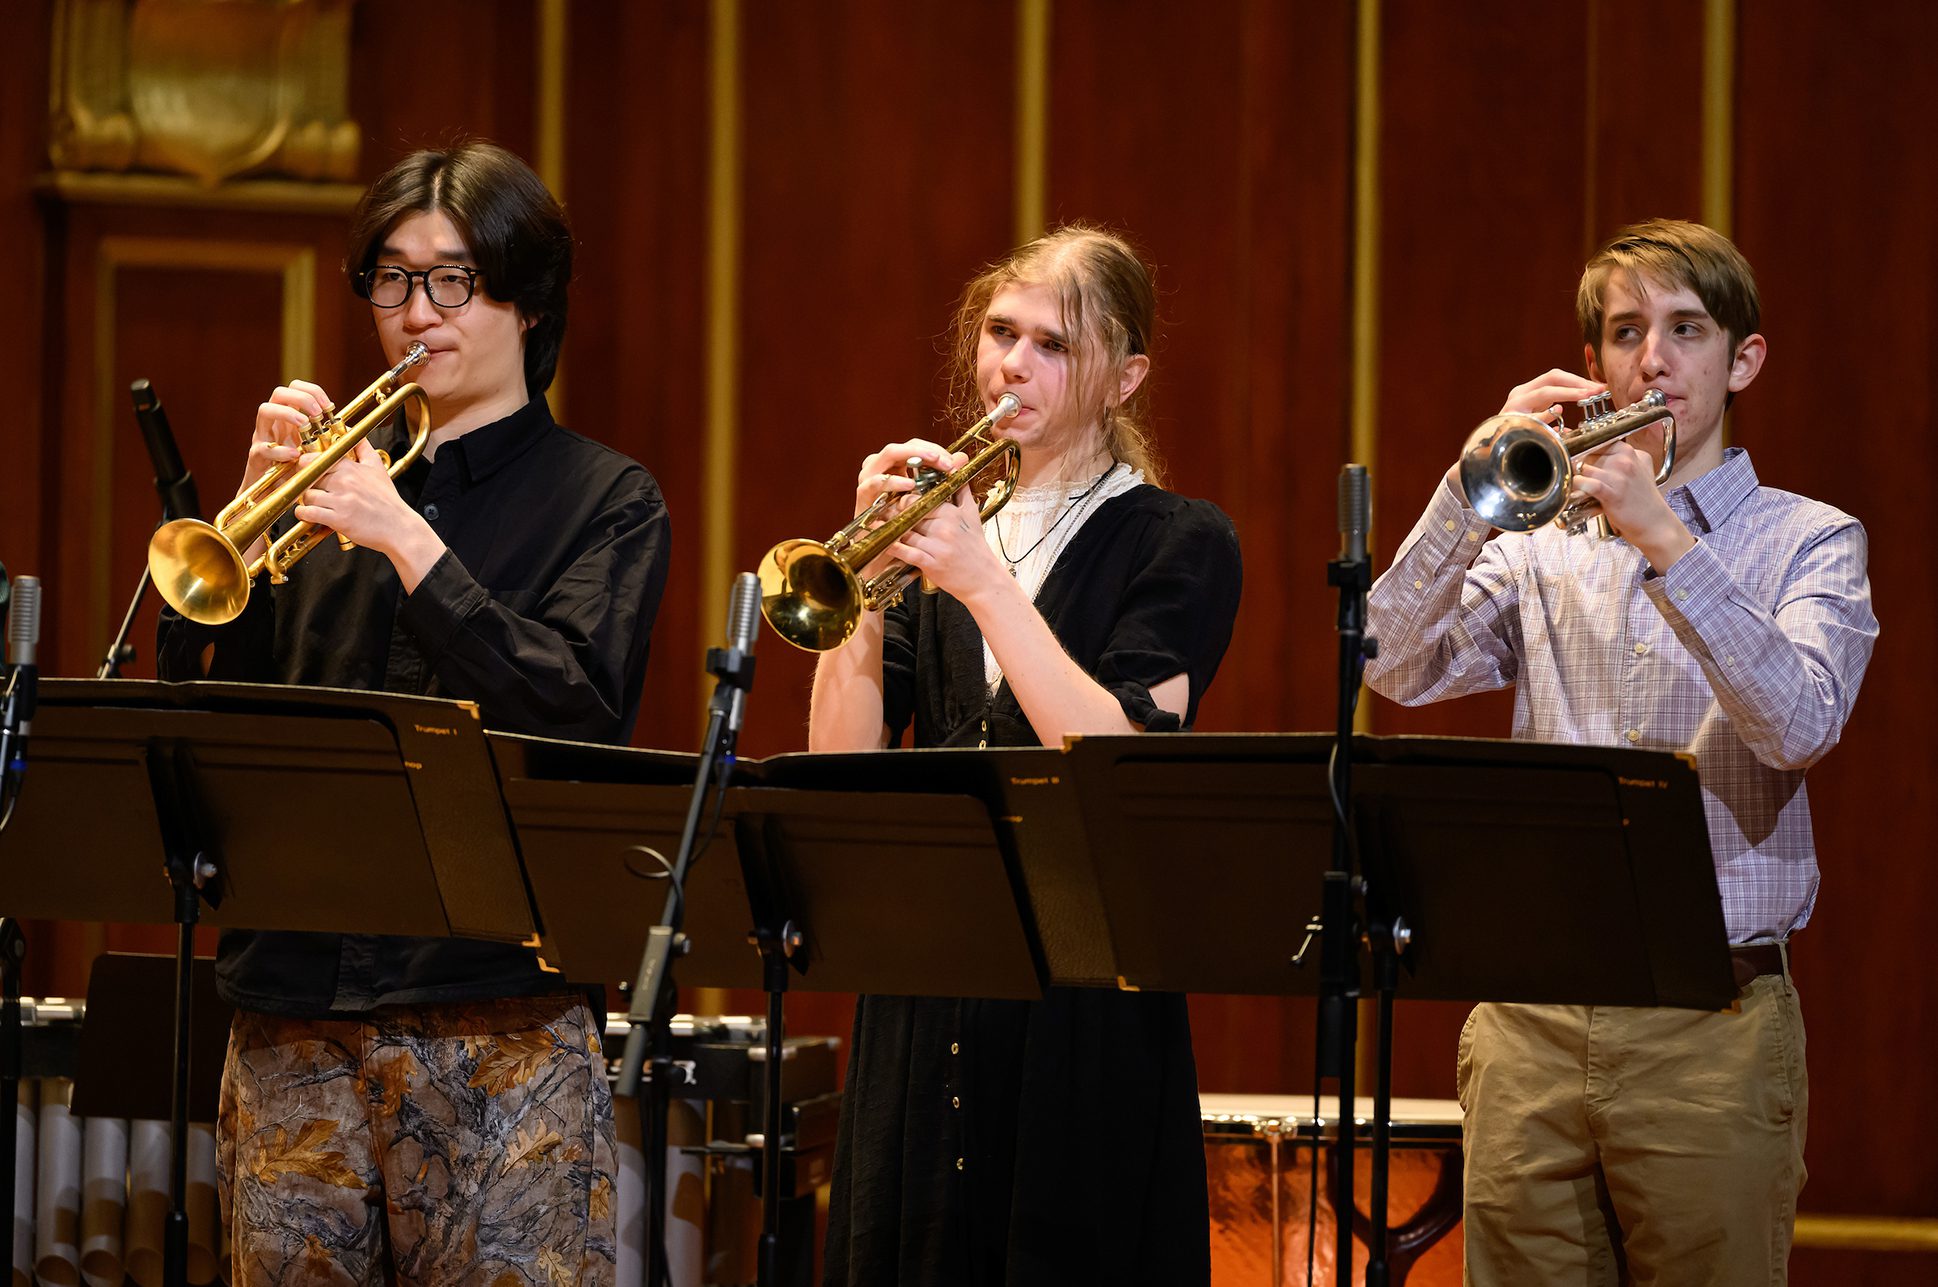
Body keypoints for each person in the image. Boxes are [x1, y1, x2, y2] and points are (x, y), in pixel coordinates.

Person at [157, 140, 670, 1286]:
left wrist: (407, 543)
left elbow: (577, 704)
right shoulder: (324, 491)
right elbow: (198, 701)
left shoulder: (608, 499)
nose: (413, 313)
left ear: (528, 302)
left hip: (494, 1014)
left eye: (452, 280)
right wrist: (245, 521)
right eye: (391, 279)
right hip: (291, 1007)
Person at [1365, 219, 1878, 1284]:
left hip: (1713, 1030)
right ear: (1594, 364)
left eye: (1686, 330)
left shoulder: (1811, 539)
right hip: (1533, 1023)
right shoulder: (1542, 547)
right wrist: (1467, 494)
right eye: (1625, 331)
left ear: (1742, 361)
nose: (1654, 359)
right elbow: (1392, 663)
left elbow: (1801, 725)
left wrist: (1666, 543)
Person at [810, 225, 1242, 1286]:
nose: (1013, 364)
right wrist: (860, 592)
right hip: (930, 973)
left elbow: (1117, 754)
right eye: (1001, 333)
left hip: (1083, 995)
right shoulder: (946, 530)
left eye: (1053, 344)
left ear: (1124, 376)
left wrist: (983, 585)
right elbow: (840, 763)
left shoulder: (1178, 540)